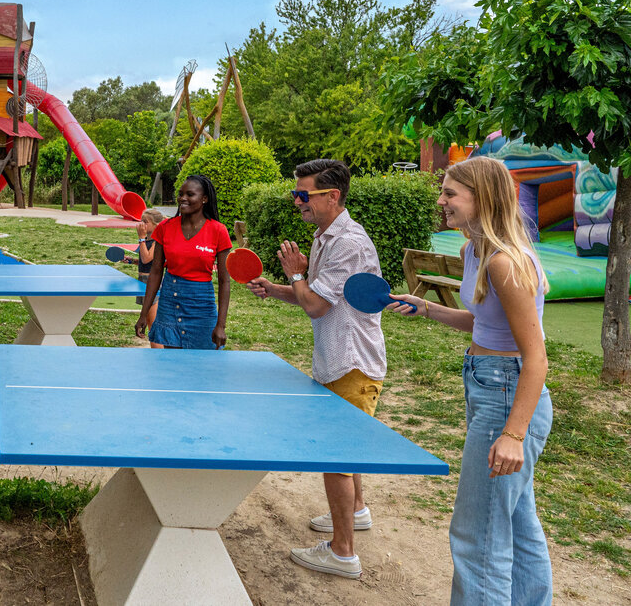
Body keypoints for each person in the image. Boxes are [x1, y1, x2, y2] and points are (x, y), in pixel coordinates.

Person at [387, 157, 552, 604]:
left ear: (484, 199)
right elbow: (483, 323)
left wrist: (513, 434)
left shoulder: (504, 262)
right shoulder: (472, 250)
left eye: (450, 194)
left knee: (476, 535)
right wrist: (425, 308)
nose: (441, 202)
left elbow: (536, 358)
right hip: (486, 384)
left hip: (508, 393)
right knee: (516, 523)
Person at [244, 158, 387, 580]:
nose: (297, 201)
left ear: (333, 196)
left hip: (352, 363)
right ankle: (356, 512)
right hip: (335, 358)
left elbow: (316, 304)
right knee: (347, 448)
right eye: (296, 193)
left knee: (336, 456)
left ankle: (343, 553)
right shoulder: (325, 235)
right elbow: (315, 296)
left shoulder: (348, 244)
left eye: (304, 194)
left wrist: (298, 273)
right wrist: (277, 288)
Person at [135, 175, 232, 349]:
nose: (182, 198)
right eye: (180, 194)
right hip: (170, 302)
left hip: (202, 305)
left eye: (190, 194)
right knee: (174, 363)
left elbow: (225, 280)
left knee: (205, 362)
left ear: (204, 199)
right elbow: (156, 272)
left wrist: (221, 325)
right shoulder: (165, 228)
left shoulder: (218, 230)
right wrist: (144, 313)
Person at [133, 208, 166, 328]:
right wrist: (132, 261)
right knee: (147, 319)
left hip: (151, 282)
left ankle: (157, 346)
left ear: (156, 225)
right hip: (143, 280)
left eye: (145, 222)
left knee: (153, 325)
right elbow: (145, 261)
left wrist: (141, 238)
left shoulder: (156, 241)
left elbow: (146, 258)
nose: (142, 224)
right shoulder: (147, 240)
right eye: (141, 221)